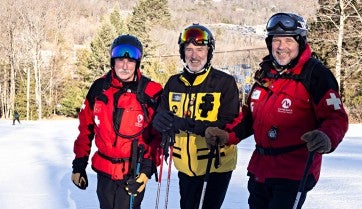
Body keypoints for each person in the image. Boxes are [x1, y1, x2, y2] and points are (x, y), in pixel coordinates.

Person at [204, 12, 349, 209]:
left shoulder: (316, 75)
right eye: (276, 40)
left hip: (294, 171)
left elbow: (336, 117)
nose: (281, 47)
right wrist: (226, 135)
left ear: (300, 41)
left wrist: (326, 137)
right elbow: (250, 116)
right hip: (261, 170)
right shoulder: (266, 73)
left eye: (288, 40)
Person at [152, 23, 240, 209]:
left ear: (209, 51)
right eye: (189, 49)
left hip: (214, 166)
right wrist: (159, 120)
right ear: (182, 52)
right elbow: (162, 111)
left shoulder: (224, 82)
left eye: (200, 49)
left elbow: (228, 123)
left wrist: (184, 124)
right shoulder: (174, 82)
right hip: (185, 165)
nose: (194, 55)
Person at [71, 34, 163, 209]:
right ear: (113, 61)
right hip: (104, 172)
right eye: (120, 60)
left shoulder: (151, 92)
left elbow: (157, 137)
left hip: (133, 172)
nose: (125, 66)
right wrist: (79, 164)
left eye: (130, 61)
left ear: (138, 63)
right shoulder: (99, 88)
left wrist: (145, 171)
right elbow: (86, 129)